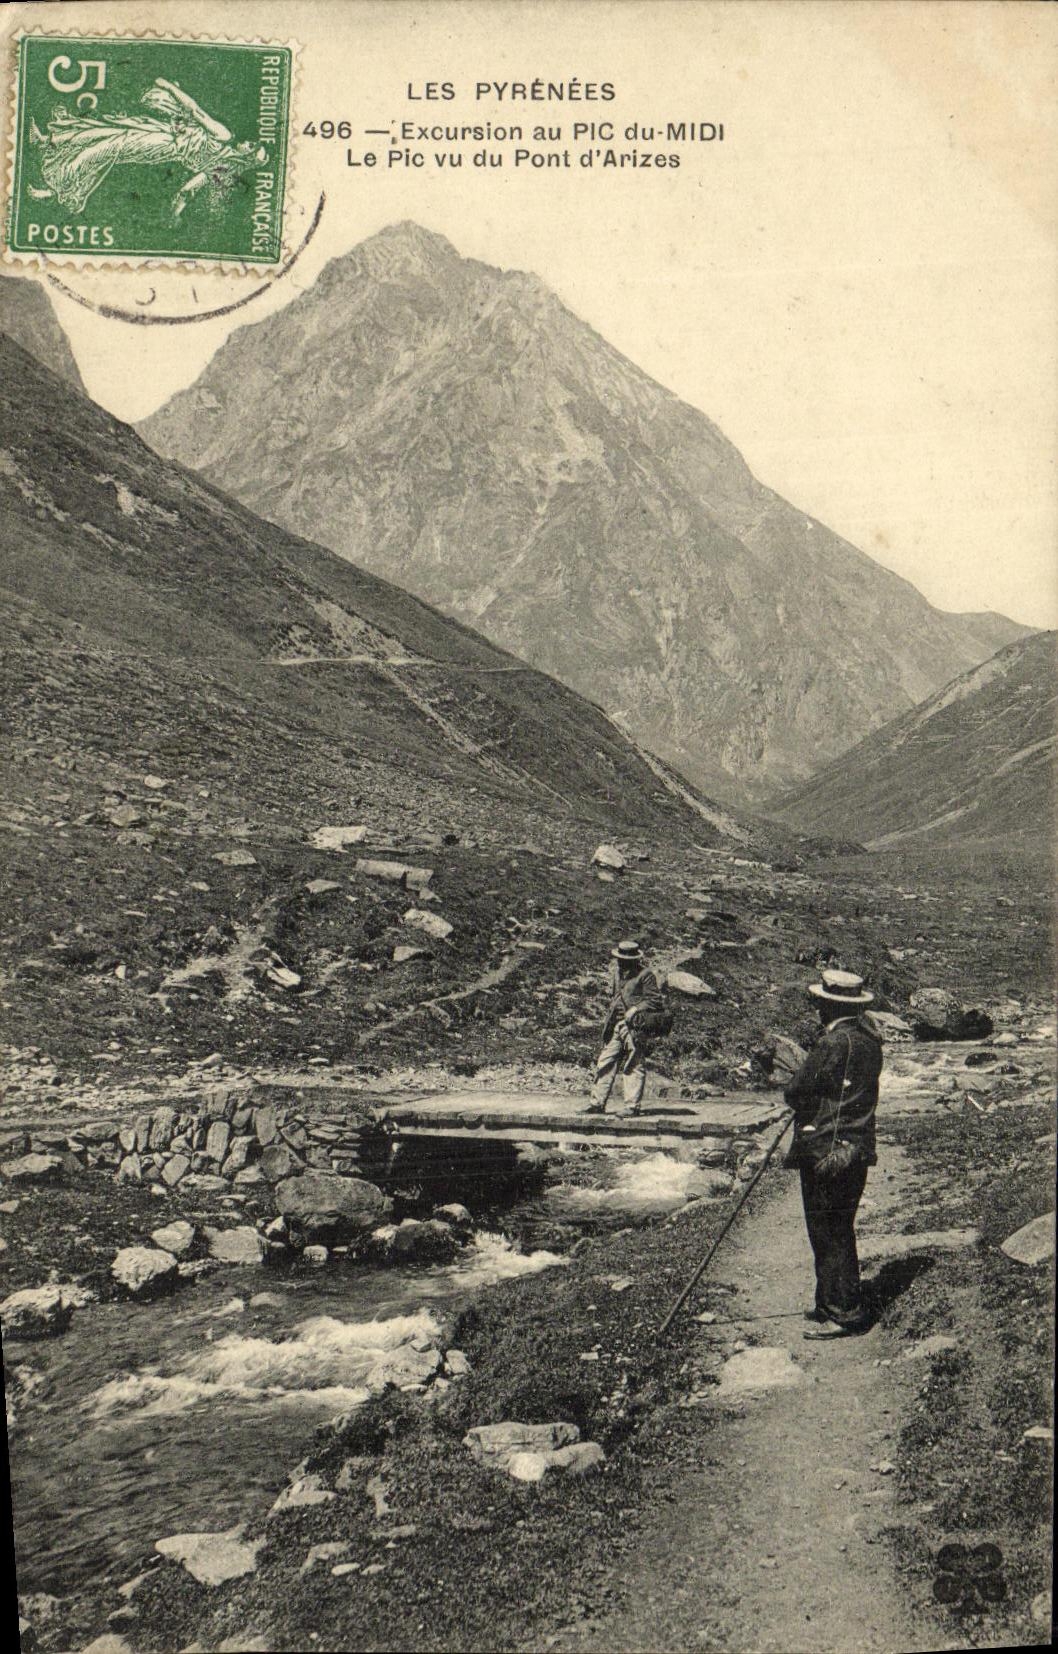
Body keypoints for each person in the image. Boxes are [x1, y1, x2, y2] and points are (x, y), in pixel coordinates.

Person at [783, 968, 882, 1339]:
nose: (817, 1010)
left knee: (828, 1228)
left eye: (820, 1003)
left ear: (828, 1005)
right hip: (855, 1147)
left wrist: (801, 1096)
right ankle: (829, 1301)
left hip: (826, 1148)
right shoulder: (870, 1040)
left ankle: (845, 1312)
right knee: (837, 1224)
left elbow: (797, 1091)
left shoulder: (833, 1043)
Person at [28, 78, 266, 218]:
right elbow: (187, 191)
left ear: (247, 156)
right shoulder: (220, 166)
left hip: (164, 144)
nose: (249, 142)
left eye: (252, 147)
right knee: (110, 129)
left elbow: (195, 111)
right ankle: (49, 140)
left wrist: (170, 88)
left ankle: (60, 185)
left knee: (112, 146)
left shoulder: (224, 137)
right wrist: (176, 213)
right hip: (165, 132)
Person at [585, 940, 670, 1116]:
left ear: (633, 960)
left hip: (635, 1026)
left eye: (623, 959)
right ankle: (597, 1104)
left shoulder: (646, 975)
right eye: (619, 958)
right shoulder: (617, 974)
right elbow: (615, 999)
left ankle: (632, 1107)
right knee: (605, 1061)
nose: (620, 961)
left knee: (634, 1063)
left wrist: (636, 1009)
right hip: (617, 1024)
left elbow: (655, 1000)